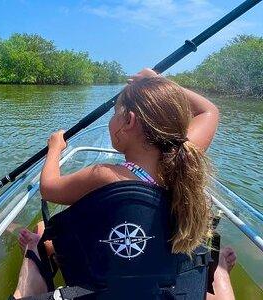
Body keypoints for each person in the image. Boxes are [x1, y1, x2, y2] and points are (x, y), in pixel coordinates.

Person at [12, 68, 234, 299]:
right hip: (167, 285)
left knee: (41, 229)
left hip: (110, 286)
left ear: (128, 121)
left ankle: (36, 253)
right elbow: (209, 111)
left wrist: (54, 148)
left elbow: (48, 187)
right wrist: (159, 81)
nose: (112, 120)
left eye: (115, 113)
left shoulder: (105, 175)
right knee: (212, 264)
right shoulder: (184, 156)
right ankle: (220, 271)